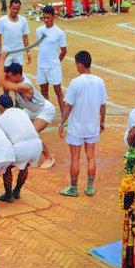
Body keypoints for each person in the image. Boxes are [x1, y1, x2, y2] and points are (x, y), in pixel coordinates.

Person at [57, 51, 107, 197]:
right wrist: (102, 122)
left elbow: (68, 106)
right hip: (92, 126)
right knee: (91, 156)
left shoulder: (75, 82)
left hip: (76, 128)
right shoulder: (100, 81)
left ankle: (73, 188)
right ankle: (90, 187)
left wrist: (61, 123)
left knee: (75, 158)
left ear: (80, 64)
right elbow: (103, 106)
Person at [0, 52, 56, 168]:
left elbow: (1, 82)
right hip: (30, 110)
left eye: (10, 76)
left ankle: (49, 157)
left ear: (17, 76)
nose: (9, 79)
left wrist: (2, 60)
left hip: (44, 111)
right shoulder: (15, 79)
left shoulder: (25, 86)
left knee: (32, 133)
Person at [0, 94, 43, 202]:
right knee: (24, 166)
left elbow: (1, 142)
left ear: (0, 107)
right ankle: (17, 191)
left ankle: (8, 194)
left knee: (5, 167)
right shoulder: (23, 112)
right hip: (37, 146)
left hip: (21, 149)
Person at [35, 5, 67, 117]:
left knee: (58, 92)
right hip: (41, 66)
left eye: (48, 18)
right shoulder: (38, 31)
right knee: (43, 92)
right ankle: (46, 114)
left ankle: (64, 116)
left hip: (53, 67)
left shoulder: (59, 33)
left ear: (54, 17)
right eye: (44, 18)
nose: (46, 20)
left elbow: (64, 50)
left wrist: (56, 62)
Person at [0, 0, 30, 66]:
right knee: (5, 74)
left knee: (18, 75)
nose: (15, 11)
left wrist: (28, 53)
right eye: (13, 8)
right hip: (6, 53)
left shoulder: (23, 20)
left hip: (18, 53)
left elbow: (25, 38)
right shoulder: (2, 20)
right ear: (9, 7)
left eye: (17, 9)